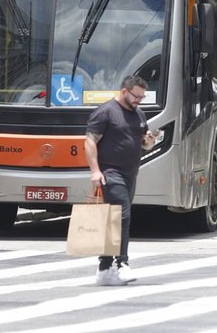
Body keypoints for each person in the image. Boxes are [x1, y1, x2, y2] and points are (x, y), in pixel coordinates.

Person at [84, 75, 159, 286]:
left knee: (112, 221)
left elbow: (143, 144)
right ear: (124, 91)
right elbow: (90, 142)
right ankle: (122, 264)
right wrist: (95, 171)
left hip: (130, 174)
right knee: (122, 216)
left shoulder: (139, 114)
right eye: (137, 96)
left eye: (142, 97)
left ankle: (104, 268)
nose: (139, 101)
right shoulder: (106, 112)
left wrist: (149, 141)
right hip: (110, 173)